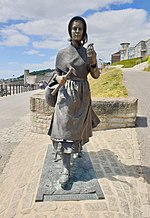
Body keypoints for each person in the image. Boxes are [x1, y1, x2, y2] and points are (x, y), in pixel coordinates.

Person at [48, 16, 100, 186]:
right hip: (65, 96)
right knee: (63, 130)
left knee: (77, 130)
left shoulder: (88, 53)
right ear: (70, 31)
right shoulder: (62, 53)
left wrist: (92, 62)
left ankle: (77, 150)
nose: (77, 31)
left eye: (80, 28)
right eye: (74, 28)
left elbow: (96, 75)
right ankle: (65, 169)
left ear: (84, 32)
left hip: (82, 95)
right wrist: (60, 78)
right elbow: (55, 74)